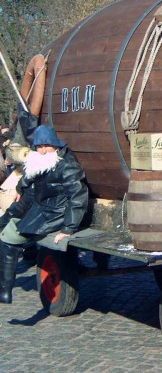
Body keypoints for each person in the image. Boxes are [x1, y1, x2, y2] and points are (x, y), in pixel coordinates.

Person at [0, 125, 88, 304]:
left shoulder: (67, 165)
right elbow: (30, 175)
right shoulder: (41, 160)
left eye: (46, 145)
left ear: (55, 145)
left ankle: (4, 290)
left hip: (55, 213)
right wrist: (19, 188)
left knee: (9, 238)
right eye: (39, 146)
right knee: (4, 224)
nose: (42, 150)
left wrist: (68, 228)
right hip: (39, 205)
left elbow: (78, 196)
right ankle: (4, 289)